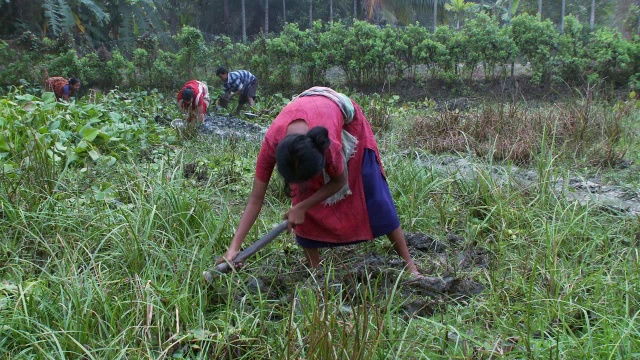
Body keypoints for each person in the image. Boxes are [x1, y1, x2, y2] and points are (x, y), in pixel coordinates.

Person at [218, 87, 420, 277]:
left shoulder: (328, 143)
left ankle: (410, 266)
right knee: (302, 200)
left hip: (349, 125)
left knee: (373, 195)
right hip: (310, 129)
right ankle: (316, 274)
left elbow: (339, 181)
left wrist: (304, 206)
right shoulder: (272, 143)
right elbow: (255, 198)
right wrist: (234, 247)